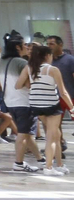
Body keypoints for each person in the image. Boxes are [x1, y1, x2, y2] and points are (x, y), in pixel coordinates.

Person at [20, 44, 69, 175]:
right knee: (52, 137)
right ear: (47, 56)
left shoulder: (30, 68)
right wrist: (72, 107)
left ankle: (59, 164)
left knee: (56, 134)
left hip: (36, 105)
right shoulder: (53, 70)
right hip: (51, 105)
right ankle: (48, 167)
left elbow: (19, 84)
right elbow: (63, 92)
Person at [2, 36, 43, 172]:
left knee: (27, 133)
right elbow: (26, 83)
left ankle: (40, 160)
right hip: (24, 101)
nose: (27, 47)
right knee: (23, 133)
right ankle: (18, 163)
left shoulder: (1, 62)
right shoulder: (21, 63)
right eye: (24, 45)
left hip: (9, 101)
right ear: (18, 47)